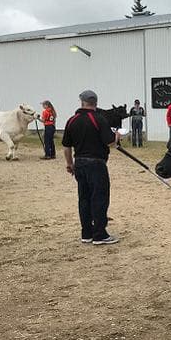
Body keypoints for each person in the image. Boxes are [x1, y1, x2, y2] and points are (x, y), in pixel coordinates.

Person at [62, 90, 121, 246]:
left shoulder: (72, 120)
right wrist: (117, 136)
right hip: (96, 163)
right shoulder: (99, 119)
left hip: (79, 162)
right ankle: (100, 233)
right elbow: (110, 142)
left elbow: (66, 146)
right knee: (99, 198)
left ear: (82, 102)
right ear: (95, 103)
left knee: (84, 198)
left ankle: (86, 232)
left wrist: (69, 163)